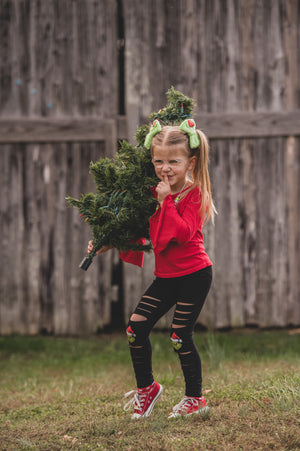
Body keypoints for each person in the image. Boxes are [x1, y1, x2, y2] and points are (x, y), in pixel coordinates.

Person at [88, 118, 216, 419]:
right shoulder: (154, 194)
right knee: (136, 329)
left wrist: (166, 200)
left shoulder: (196, 194)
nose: (165, 168)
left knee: (179, 335)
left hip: (195, 275)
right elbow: (142, 233)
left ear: (190, 162)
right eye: (158, 161)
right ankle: (147, 390)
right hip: (167, 278)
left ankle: (195, 399)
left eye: (174, 161)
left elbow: (181, 233)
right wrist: (107, 243)